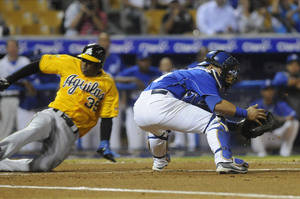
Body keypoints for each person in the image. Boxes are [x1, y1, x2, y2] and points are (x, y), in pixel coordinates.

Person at [133, 50, 266, 174]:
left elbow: (205, 112)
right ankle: (224, 161)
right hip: (161, 103)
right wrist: (246, 113)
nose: (230, 74)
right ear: (212, 67)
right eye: (227, 70)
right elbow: (218, 106)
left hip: (140, 108)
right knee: (215, 122)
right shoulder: (204, 74)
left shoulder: (193, 75)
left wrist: (235, 125)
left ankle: (159, 162)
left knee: (158, 130)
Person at [0, 43, 119, 172]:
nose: (85, 64)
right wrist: (10, 79)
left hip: (70, 132)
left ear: (99, 65)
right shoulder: (69, 62)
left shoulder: (108, 84)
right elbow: (38, 65)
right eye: (84, 60)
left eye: (90, 62)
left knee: (43, 166)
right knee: (32, 131)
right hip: (53, 115)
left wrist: (104, 143)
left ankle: (3, 166)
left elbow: (107, 116)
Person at [79, 32, 124, 152]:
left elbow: (116, 78)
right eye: (102, 40)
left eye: (106, 40)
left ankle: (110, 159)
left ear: (109, 42)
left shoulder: (115, 58)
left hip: (108, 101)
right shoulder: (90, 58)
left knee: (113, 139)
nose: (104, 43)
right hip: (89, 102)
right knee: (87, 141)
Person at [115, 52, 161, 155]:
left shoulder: (155, 72)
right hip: (133, 110)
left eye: (147, 61)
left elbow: (166, 78)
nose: (145, 63)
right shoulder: (132, 72)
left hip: (151, 112)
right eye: (142, 60)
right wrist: (132, 80)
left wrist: (154, 83)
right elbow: (116, 80)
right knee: (135, 145)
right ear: (137, 62)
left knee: (151, 144)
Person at [251, 85, 299, 157]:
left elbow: (294, 115)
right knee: (253, 123)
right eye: (266, 90)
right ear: (262, 92)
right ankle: (261, 153)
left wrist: (281, 120)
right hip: (264, 137)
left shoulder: (280, 104)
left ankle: (285, 152)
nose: (269, 92)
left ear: (274, 91)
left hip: (279, 136)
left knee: (295, 123)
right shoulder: (256, 105)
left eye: (271, 90)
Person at [0, 39, 30, 140]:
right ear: (7, 49)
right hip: (7, 98)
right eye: (10, 46)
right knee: (5, 128)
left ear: (18, 48)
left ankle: (23, 152)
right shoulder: (1, 63)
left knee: (23, 128)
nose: (12, 49)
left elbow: (31, 80)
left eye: (14, 46)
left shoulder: (25, 61)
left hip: (24, 99)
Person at [272, 53, 300, 119]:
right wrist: (295, 82)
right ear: (287, 66)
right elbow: (277, 81)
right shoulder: (282, 75)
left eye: (297, 65)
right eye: (291, 64)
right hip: (284, 109)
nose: (294, 66)